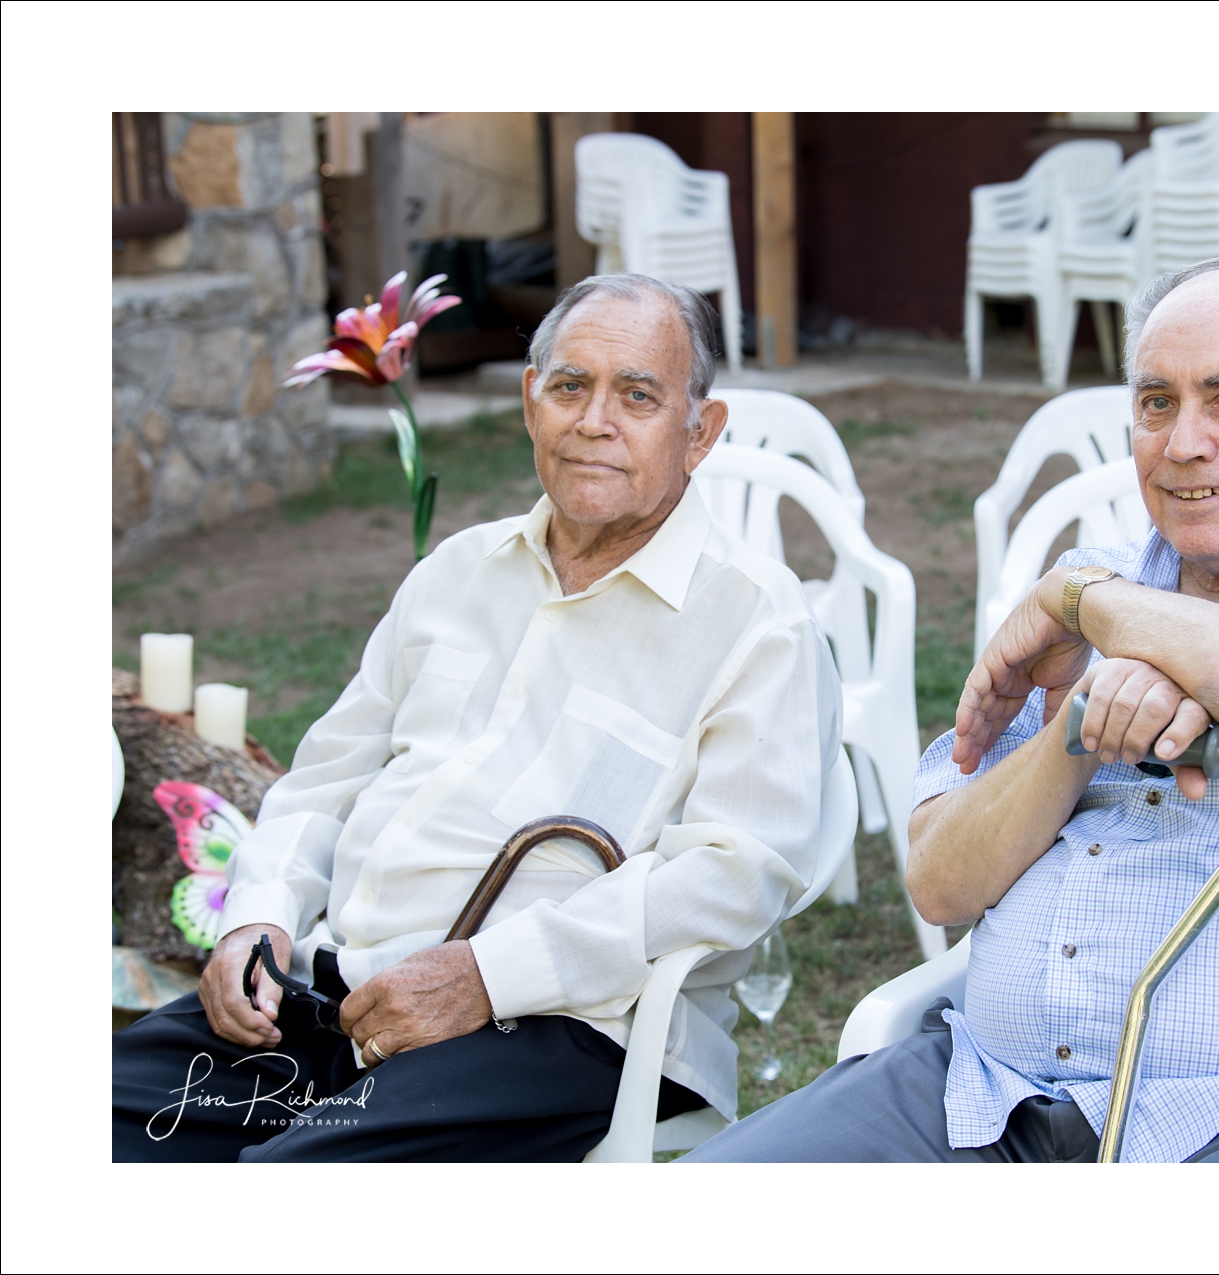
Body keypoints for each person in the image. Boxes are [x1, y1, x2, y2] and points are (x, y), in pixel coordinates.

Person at [685, 259, 1219, 1163]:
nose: (1183, 441)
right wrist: (1080, 721)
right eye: (1157, 402)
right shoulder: (1105, 594)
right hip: (988, 1094)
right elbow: (938, 879)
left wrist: (1083, 602)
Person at [113, 274, 842, 1161]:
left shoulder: (756, 621)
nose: (594, 420)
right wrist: (259, 914)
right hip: (325, 996)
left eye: (638, 394)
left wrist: (488, 978)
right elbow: (323, 777)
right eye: (570, 386)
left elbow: (736, 875)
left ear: (701, 433)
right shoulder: (456, 573)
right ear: (531, 403)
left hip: (555, 1024)